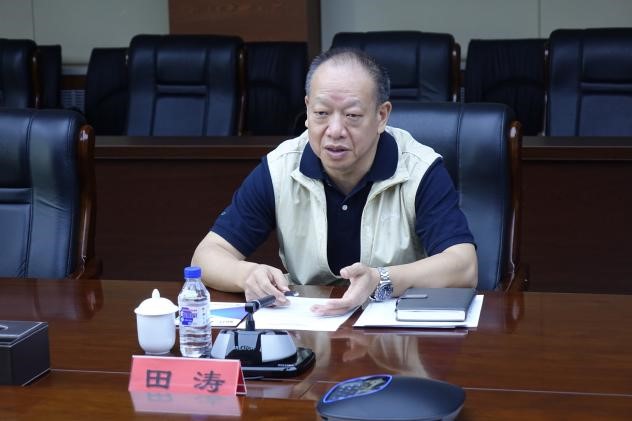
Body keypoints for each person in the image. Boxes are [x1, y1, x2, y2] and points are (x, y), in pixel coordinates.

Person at [192, 48, 477, 316]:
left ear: (381, 116)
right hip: (309, 328)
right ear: (307, 111)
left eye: (352, 116)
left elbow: (464, 266)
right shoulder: (280, 167)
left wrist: (381, 280)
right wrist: (247, 275)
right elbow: (206, 256)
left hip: (396, 333)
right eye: (321, 113)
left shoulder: (419, 169)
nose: (335, 130)